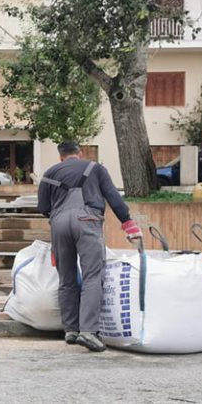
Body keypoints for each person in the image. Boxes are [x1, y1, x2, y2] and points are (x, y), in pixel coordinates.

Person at [37, 142, 142, 352]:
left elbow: (43, 207)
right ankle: (88, 331)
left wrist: (60, 217)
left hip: (58, 224)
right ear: (80, 153)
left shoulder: (49, 173)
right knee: (92, 276)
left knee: (66, 278)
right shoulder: (95, 168)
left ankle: (71, 330)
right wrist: (128, 224)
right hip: (87, 221)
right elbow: (113, 196)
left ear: (61, 158)